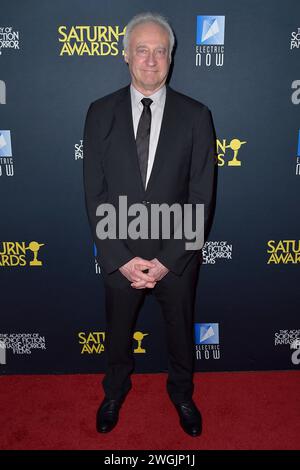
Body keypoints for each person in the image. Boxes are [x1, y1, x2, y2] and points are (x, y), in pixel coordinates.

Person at [83, 12, 216, 437]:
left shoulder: (196, 116)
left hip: (175, 259)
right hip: (119, 255)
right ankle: (114, 391)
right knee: (118, 336)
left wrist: (166, 261)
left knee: (180, 336)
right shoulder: (99, 112)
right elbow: (94, 193)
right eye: (142, 50)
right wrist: (119, 258)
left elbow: (201, 197)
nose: (152, 60)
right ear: (125, 56)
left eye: (161, 51)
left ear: (172, 58)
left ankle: (181, 393)